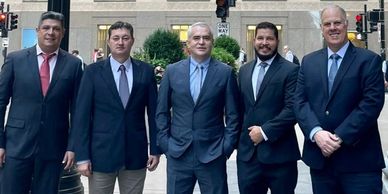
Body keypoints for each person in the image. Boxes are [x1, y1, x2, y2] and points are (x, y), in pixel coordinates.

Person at [294, 5, 385, 194]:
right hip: (321, 162)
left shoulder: (369, 60)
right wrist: (316, 133)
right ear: (322, 28)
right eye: (327, 24)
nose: (333, 27)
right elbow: (300, 102)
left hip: (360, 163)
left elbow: (371, 104)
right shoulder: (309, 62)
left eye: (337, 23)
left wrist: (339, 137)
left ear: (346, 24)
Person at [73, 21, 161, 194]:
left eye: (125, 38)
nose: (120, 42)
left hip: (135, 154)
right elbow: (82, 116)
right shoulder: (92, 72)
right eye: (116, 38)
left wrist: (156, 149)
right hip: (101, 155)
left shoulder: (145, 71)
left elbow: (154, 113)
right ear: (108, 41)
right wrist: (82, 156)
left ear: (132, 40)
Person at [0, 11, 83, 194]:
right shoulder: (15, 59)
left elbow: (78, 110)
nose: (50, 32)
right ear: (38, 31)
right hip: (16, 145)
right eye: (46, 28)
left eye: (56, 29)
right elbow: (0, 102)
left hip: (53, 147)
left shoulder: (73, 64)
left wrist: (72, 146)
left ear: (63, 33)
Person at [156, 22, 240, 194]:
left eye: (206, 38)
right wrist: (166, 144)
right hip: (178, 153)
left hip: (213, 153)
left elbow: (233, 115)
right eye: (196, 38)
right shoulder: (172, 71)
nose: (201, 42)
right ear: (188, 43)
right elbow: (162, 111)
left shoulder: (225, 73)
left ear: (212, 42)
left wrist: (226, 147)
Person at [237, 21, 301, 194]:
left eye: (269, 39)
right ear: (254, 40)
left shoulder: (291, 70)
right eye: (260, 38)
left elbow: (292, 109)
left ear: (277, 41)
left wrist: (264, 132)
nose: (264, 42)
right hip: (248, 158)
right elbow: (238, 110)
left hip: (280, 157)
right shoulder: (244, 71)